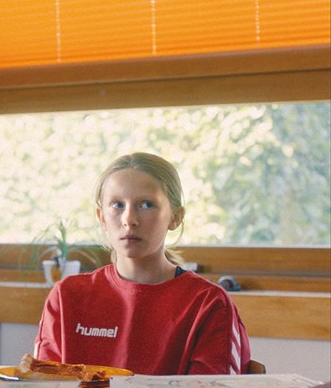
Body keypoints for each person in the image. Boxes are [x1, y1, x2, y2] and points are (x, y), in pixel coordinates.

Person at [34, 152, 251, 375]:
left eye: (147, 204)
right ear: (102, 218)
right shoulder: (66, 296)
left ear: (175, 217)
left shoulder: (209, 303)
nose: (129, 219)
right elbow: (43, 387)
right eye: (117, 204)